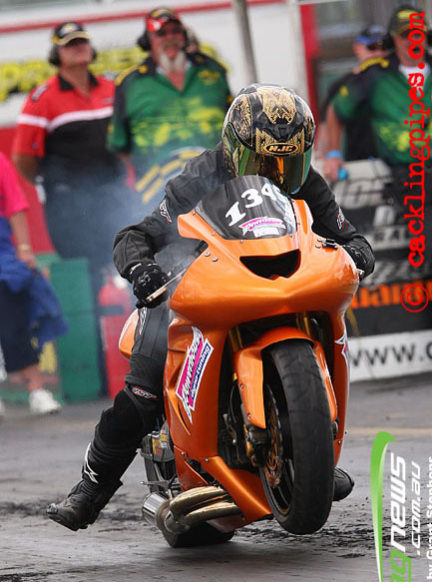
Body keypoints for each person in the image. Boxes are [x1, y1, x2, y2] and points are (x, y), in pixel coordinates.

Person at [47, 84, 375, 532]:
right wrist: (143, 270)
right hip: (192, 284)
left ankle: (306, 448)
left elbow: (348, 235)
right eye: (265, 161)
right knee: (143, 392)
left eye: (289, 161)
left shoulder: (306, 181)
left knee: (319, 315)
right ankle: (89, 488)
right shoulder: (200, 174)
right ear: (235, 150)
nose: (277, 171)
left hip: (269, 281)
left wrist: (358, 253)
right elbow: (135, 235)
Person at [11, 21, 128, 301]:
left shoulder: (111, 89)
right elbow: (22, 156)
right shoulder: (43, 97)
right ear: (57, 53)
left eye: (82, 42)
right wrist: (52, 182)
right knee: (85, 280)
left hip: (113, 195)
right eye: (70, 44)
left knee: (129, 263)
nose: (79, 48)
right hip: (71, 206)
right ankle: (95, 341)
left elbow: (126, 140)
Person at [325, 6, 432, 272]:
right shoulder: (376, 75)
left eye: (418, 34)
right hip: (409, 176)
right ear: (393, 40)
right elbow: (336, 109)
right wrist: (333, 153)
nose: (412, 40)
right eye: (405, 35)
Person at [107, 6, 232, 214]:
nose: (169, 38)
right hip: (157, 189)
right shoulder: (130, 83)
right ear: (148, 41)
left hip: (218, 181)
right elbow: (120, 146)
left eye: (175, 31)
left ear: (183, 36)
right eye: (161, 33)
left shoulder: (213, 71)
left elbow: (235, 124)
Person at [0, 153, 67, 417]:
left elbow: (15, 204)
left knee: (12, 317)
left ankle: (37, 391)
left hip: (2, 257)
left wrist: (26, 249)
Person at [318, 24, 388, 179]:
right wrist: (328, 158)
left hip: (399, 165)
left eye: (385, 47)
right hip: (358, 167)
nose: (379, 53)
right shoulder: (343, 85)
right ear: (358, 48)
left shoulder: (399, 81)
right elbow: (326, 126)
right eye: (372, 47)